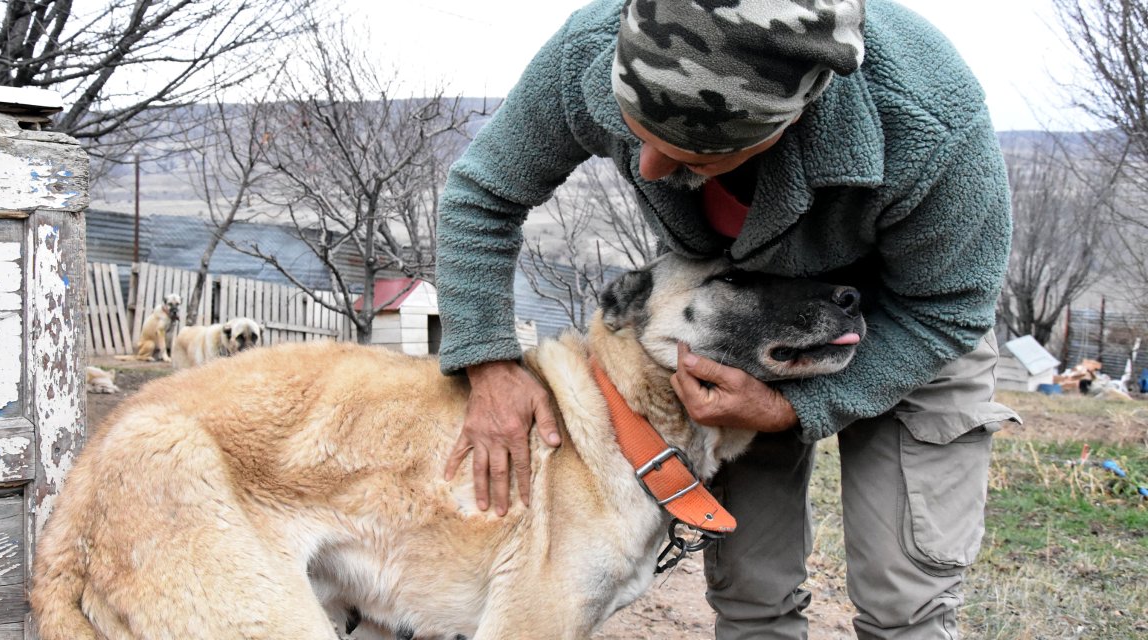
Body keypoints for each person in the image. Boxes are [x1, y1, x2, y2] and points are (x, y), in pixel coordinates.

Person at [435, 0, 1020, 637]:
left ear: (791, 122)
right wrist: (489, 363)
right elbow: (482, 195)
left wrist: (794, 409)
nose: (648, 168)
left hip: (910, 321)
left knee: (904, 598)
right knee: (750, 588)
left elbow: (949, 308)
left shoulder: (932, 123)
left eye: (692, 155)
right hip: (736, 322)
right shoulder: (594, 46)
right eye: (636, 131)